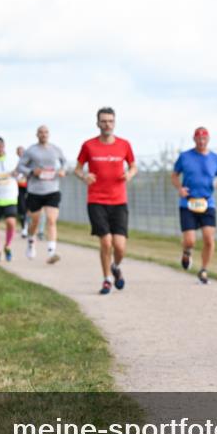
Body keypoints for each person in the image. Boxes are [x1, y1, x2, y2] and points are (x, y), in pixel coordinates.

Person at [74, 107, 137, 294]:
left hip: (119, 201)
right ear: (98, 123)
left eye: (110, 121)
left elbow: (133, 166)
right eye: (103, 121)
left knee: (120, 246)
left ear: (114, 123)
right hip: (96, 200)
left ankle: (115, 267)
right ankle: (106, 279)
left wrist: (129, 174)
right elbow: (77, 169)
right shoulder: (88, 145)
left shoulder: (124, 145)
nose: (107, 124)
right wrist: (84, 176)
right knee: (106, 242)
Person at [170, 127, 217, 285]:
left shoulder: (215, 158)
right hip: (188, 203)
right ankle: (186, 252)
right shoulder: (185, 157)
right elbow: (174, 175)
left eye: (204, 139)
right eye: (199, 139)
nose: (202, 142)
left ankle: (203, 270)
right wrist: (179, 188)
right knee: (190, 240)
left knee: (209, 239)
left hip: (207, 202)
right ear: (194, 139)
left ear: (208, 139)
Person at [17, 125, 67, 263]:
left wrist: (62, 170)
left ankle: (51, 252)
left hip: (52, 189)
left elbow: (64, 163)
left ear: (49, 134)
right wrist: (32, 171)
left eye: (46, 132)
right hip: (35, 191)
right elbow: (20, 166)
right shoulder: (31, 150)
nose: (44, 134)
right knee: (35, 221)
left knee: (51, 220)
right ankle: (30, 243)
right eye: (41, 132)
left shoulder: (55, 149)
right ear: (37, 134)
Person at [15, 146, 30, 238]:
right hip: (19, 188)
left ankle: (28, 226)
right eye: (19, 152)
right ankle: (24, 228)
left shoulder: (29, 162)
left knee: (29, 208)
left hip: (29, 187)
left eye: (22, 151)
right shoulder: (15, 163)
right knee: (22, 208)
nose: (21, 153)